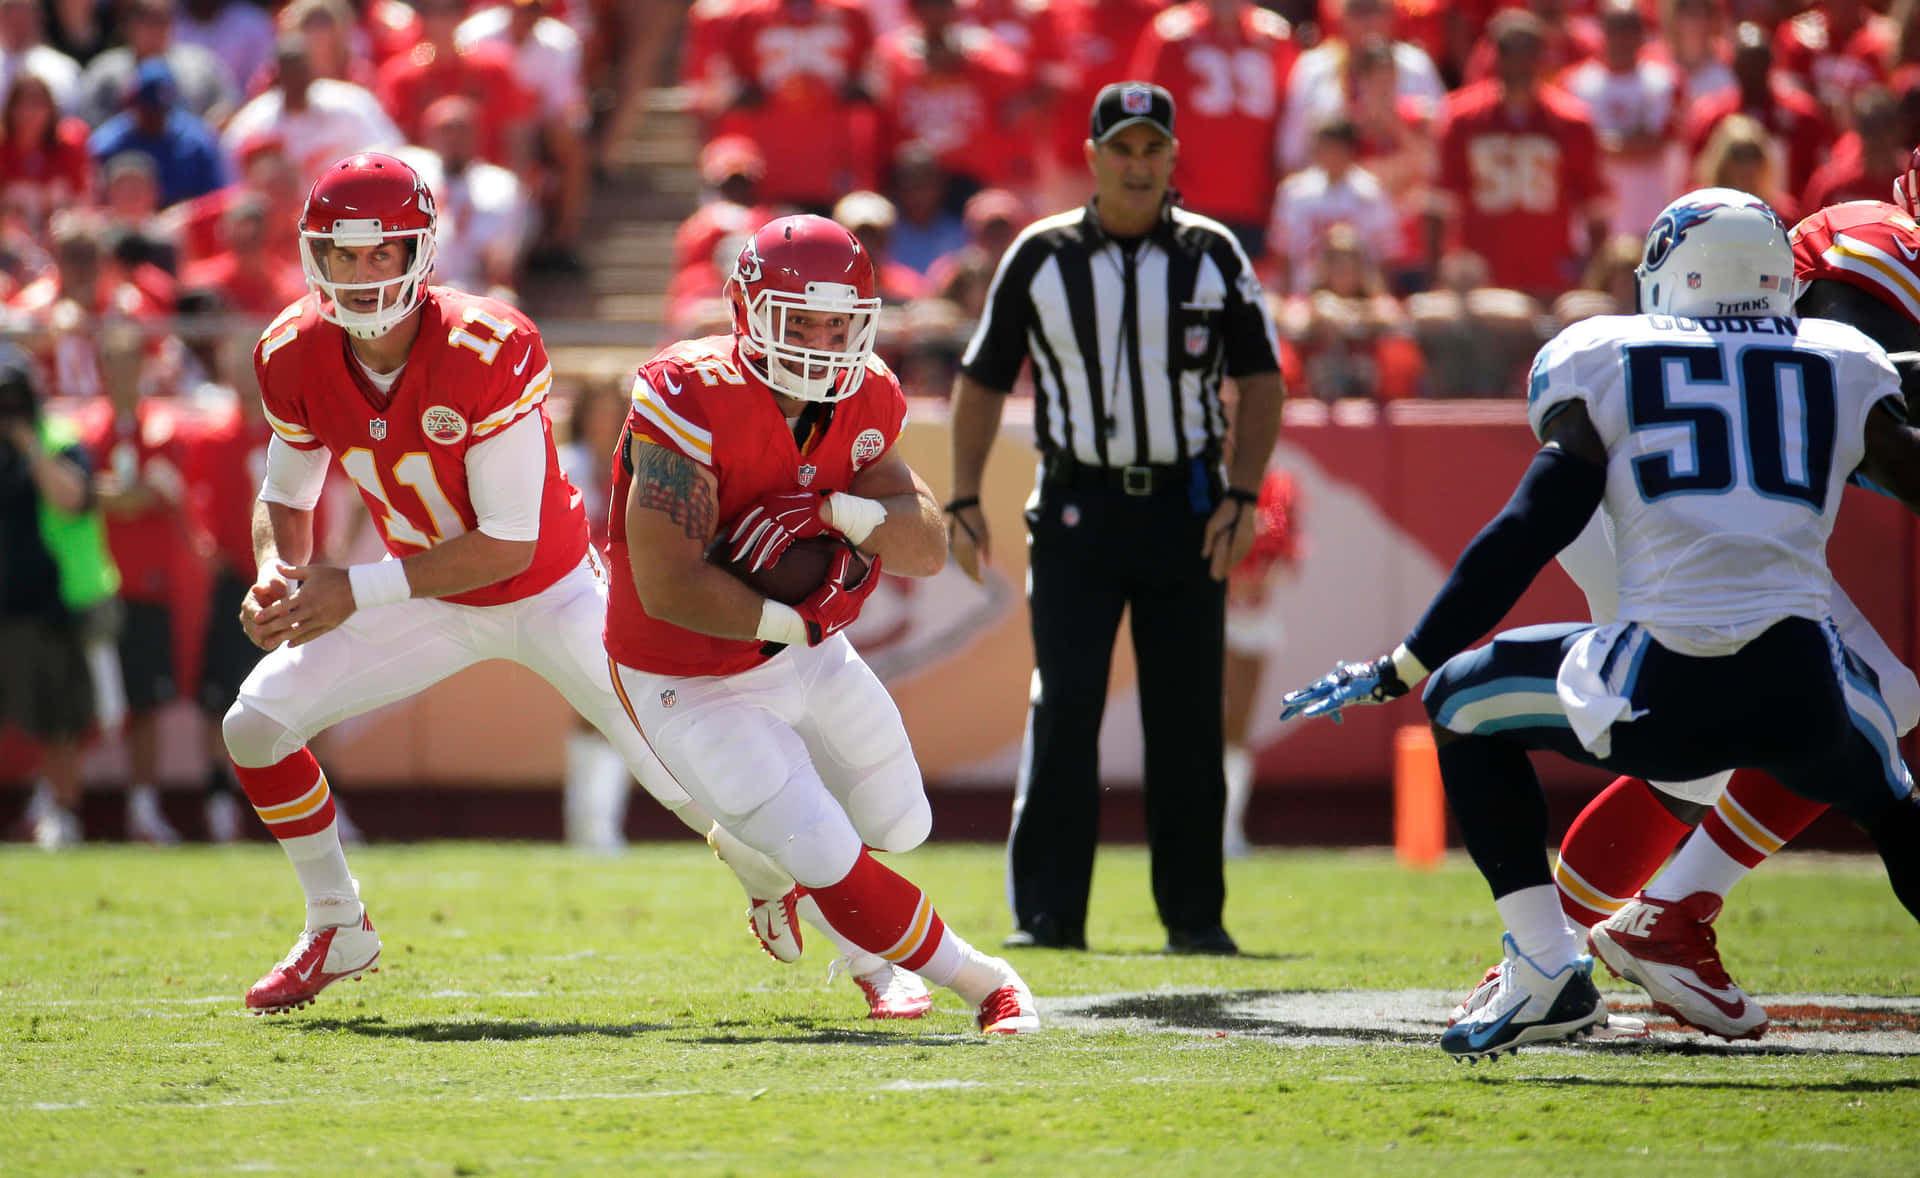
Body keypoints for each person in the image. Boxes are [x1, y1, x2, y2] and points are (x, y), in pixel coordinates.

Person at [1281, 188, 1920, 1060]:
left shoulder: (1607, 356)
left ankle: (1547, 966)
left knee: (1462, 699)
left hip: (1662, 690)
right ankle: (1656, 920)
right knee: (1888, 769)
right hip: (1802, 693)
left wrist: (1405, 664)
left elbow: (1526, 531)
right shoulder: (1844, 353)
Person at [223, 152, 807, 1016]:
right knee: (255, 727)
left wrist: (352, 589)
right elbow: (286, 493)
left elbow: (506, 543)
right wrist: (280, 567)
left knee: (686, 776)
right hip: (423, 593)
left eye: (380, 252)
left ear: (420, 253)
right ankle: (337, 922)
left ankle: (824, 913)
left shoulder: (488, 344)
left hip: (550, 588)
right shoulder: (293, 350)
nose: (358, 272)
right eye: (340, 255)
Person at [1462, 155, 1920, 1043]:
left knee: (1699, 756)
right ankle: (1652, 924)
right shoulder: (1878, 246)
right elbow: (1871, 422)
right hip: (1666, 509)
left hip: (1693, 505)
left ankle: (1552, 955)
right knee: (1869, 699)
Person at [603, 212, 1038, 1033]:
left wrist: (841, 509)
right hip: (687, 674)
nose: (819, 340)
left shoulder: (867, 393)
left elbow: (923, 547)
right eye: (798, 319)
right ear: (747, 312)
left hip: (803, 649)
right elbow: (667, 585)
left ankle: (762, 856)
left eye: (837, 322)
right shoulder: (687, 391)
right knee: (831, 852)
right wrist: (801, 620)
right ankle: (983, 982)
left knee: (900, 822)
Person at [946, 82, 1286, 954]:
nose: (1138, 164)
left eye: (1153, 148)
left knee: (1186, 715)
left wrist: (1243, 496)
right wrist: (962, 495)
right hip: (1075, 508)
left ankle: (1195, 917)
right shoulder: (1040, 253)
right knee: (1065, 706)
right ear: (1093, 156)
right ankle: (1049, 915)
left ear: (1173, 157)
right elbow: (982, 378)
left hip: (1186, 504)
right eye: (1123, 148)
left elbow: (1261, 379)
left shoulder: (1213, 253)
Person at [0, 346, 117, 849]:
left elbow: (71, 499)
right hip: (7, 604)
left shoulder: (59, 441)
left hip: (52, 607)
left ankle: (64, 816)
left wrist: (28, 443)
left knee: (59, 723)